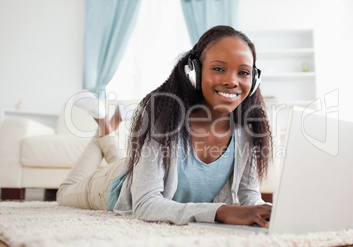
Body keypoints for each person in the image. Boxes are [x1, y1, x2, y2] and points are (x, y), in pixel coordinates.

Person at [57, 25, 273, 228]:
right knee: (64, 193)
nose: (232, 81)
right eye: (218, 68)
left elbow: (248, 195)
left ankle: (107, 125)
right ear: (194, 72)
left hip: (140, 170)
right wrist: (221, 212)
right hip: (112, 186)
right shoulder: (165, 119)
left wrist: (268, 211)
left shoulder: (247, 130)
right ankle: (104, 125)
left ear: (254, 80)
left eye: (243, 72)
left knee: (128, 163)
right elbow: (145, 204)